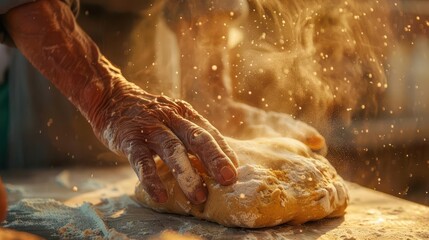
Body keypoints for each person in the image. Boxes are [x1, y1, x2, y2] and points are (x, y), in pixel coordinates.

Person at [0, 0, 238, 207]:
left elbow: (207, 7)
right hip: (56, 51)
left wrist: (212, 85)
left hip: (149, 34)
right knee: (43, 200)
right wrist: (107, 97)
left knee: (171, 168)